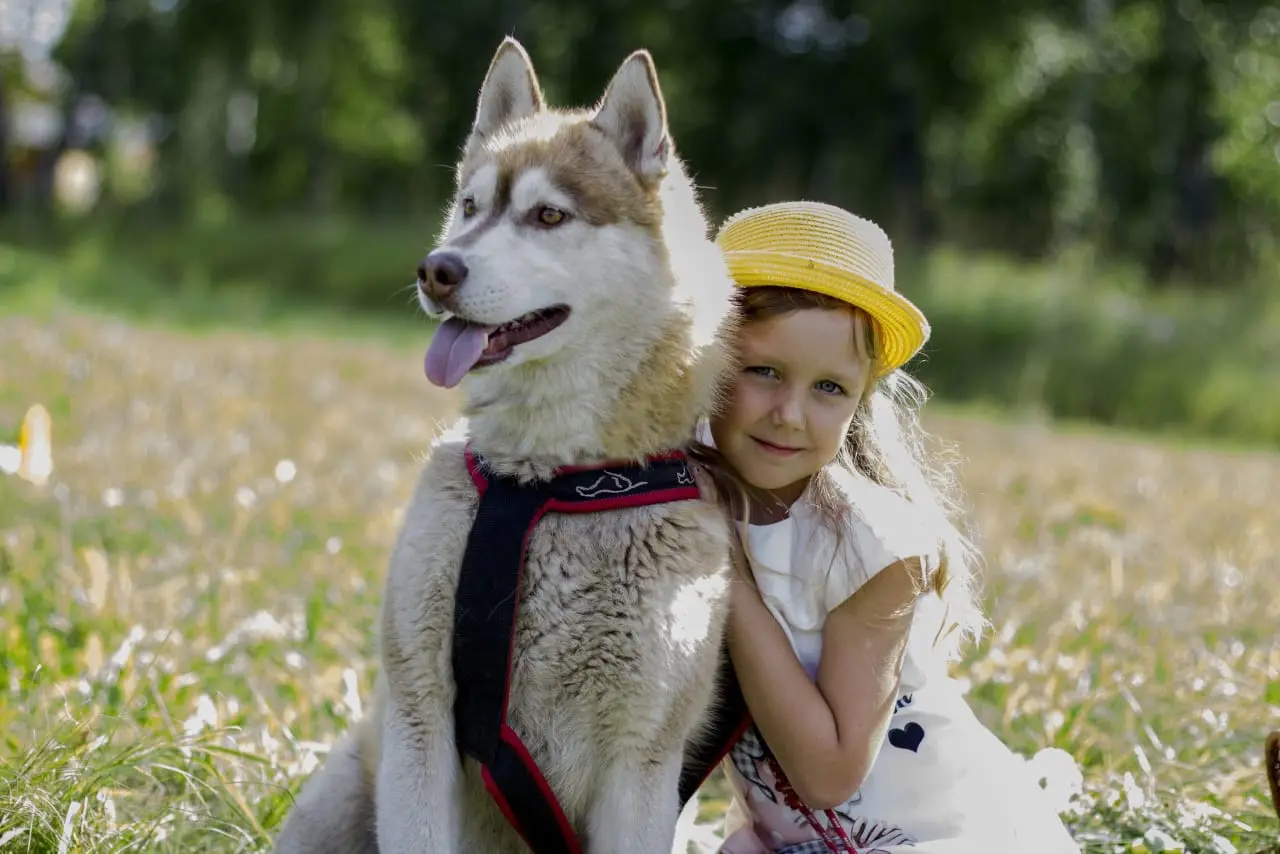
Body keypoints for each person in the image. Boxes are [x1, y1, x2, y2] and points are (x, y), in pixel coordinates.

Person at [692, 201, 1080, 853]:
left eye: (829, 389)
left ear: (862, 395)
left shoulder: (871, 544)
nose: (789, 413)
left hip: (933, 839)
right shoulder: (684, 483)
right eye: (762, 372)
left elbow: (829, 774)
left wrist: (723, 570)